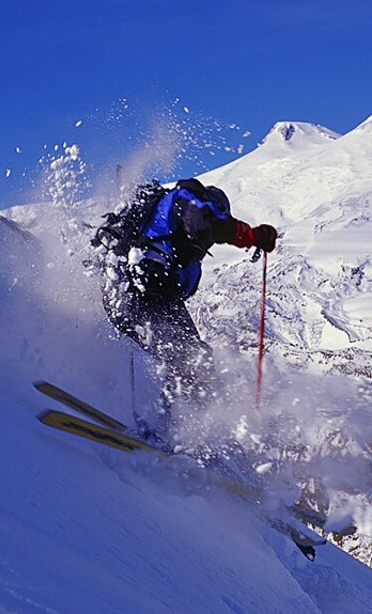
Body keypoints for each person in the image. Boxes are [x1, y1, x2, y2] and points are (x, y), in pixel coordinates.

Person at [99, 177, 277, 430]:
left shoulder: (176, 233)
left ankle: (172, 427)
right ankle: (173, 430)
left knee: (187, 358)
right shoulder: (190, 202)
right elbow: (209, 222)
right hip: (146, 286)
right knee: (193, 360)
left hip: (133, 290)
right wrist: (253, 236)